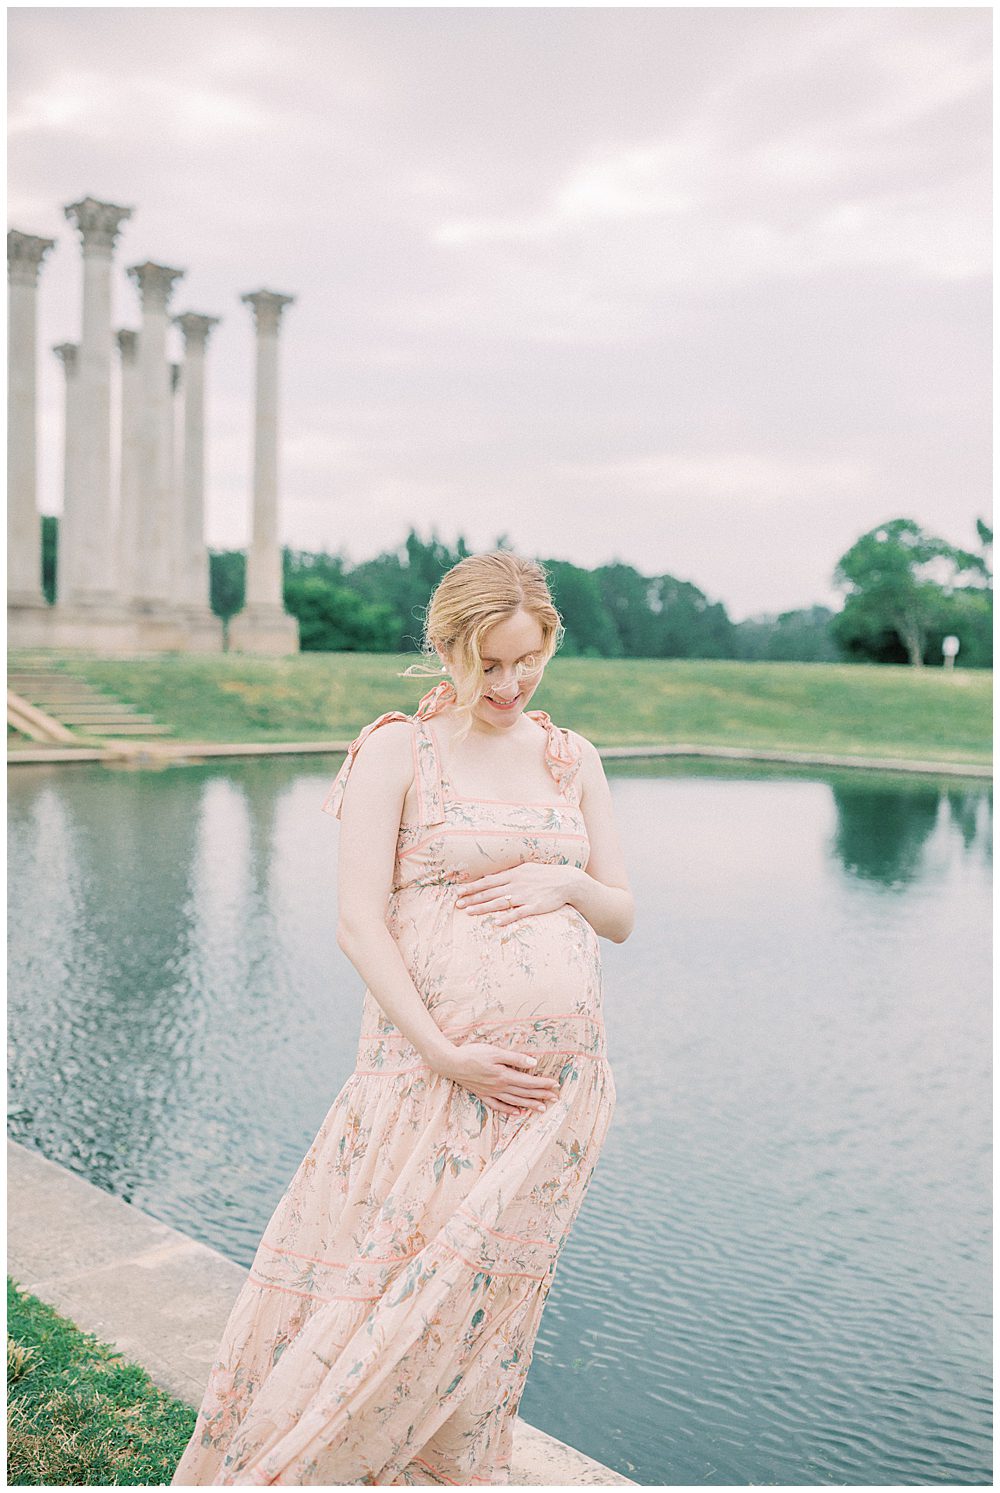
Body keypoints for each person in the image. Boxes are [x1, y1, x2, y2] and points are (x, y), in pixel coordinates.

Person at [171, 550, 634, 1486]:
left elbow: (621, 915)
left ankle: (455, 1470)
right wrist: (446, 1051)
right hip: (428, 1079)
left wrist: (569, 880)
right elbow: (357, 921)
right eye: (487, 662)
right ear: (447, 647)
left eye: (527, 660)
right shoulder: (397, 750)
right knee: (387, 1299)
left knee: (484, 1314)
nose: (508, 683)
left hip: (555, 1102)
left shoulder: (569, 756)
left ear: (550, 643)